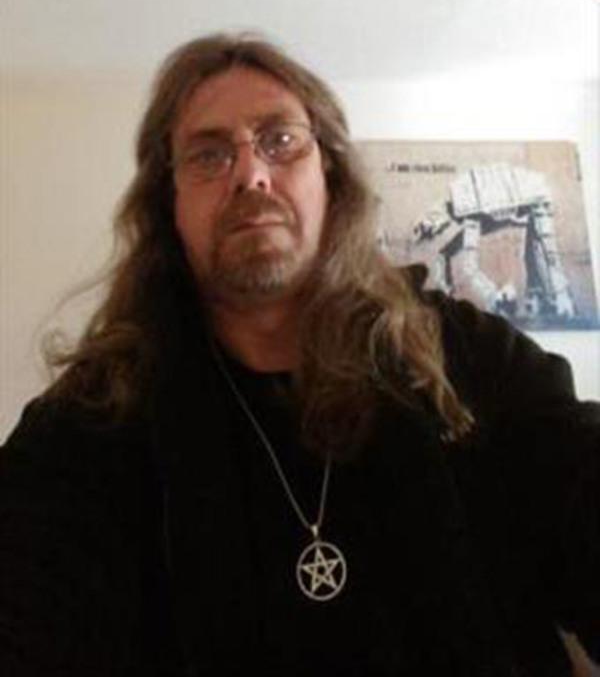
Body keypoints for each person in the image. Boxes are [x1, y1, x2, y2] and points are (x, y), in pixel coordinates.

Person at [1, 33, 599, 677]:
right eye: (208, 154)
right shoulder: (92, 420)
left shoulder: (469, 357)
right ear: (167, 206)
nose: (250, 173)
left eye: (280, 139)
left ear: (331, 178)